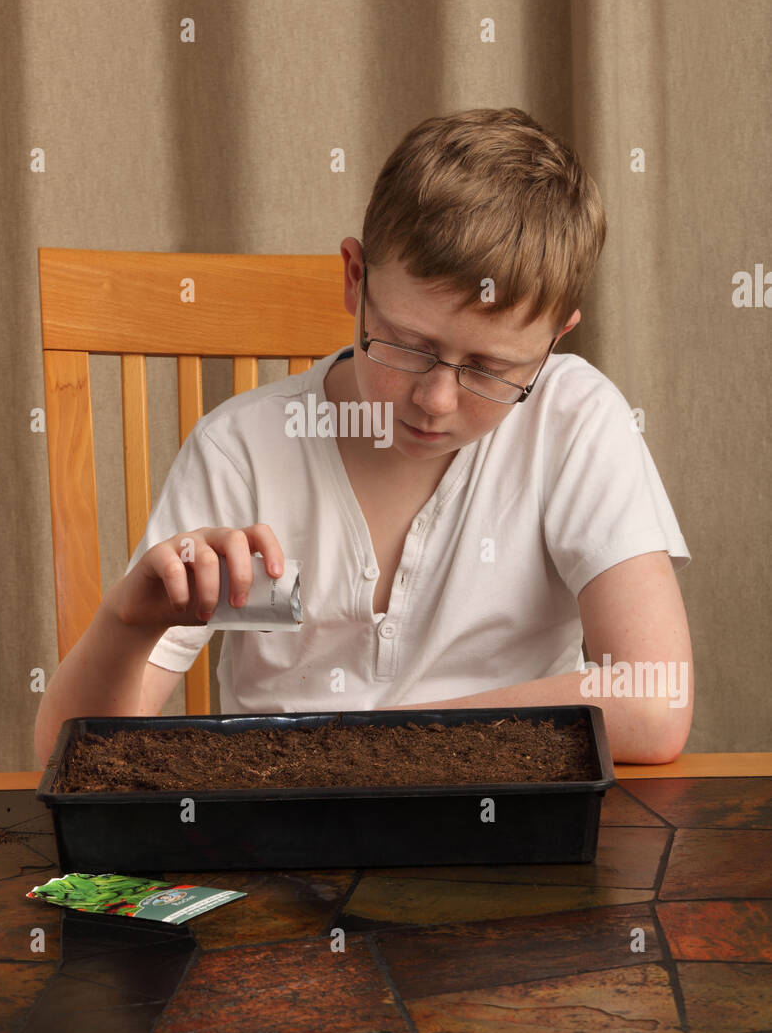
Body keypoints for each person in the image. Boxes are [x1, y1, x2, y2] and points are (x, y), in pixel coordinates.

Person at [34, 107, 692, 768]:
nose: (435, 400)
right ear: (355, 277)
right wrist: (128, 624)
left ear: (556, 339)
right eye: (406, 345)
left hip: (503, 834)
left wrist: (370, 746)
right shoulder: (242, 452)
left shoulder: (573, 420)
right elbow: (69, 757)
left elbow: (654, 701)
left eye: (491, 370)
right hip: (286, 836)